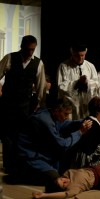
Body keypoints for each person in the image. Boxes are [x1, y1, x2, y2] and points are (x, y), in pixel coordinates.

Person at [16, 97, 92, 185]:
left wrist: (84, 121)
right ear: (57, 110)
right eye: (66, 114)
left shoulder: (51, 114)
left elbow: (65, 124)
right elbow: (62, 145)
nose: (67, 117)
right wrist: (80, 132)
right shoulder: (44, 121)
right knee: (57, 181)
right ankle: (22, 174)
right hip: (30, 157)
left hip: (40, 154)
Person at [0, 35, 47, 175]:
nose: (30, 53)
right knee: (7, 135)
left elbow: (41, 86)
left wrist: (41, 104)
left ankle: (18, 163)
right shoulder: (10, 58)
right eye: (28, 49)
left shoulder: (38, 63)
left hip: (25, 106)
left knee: (21, 135)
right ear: (22, 47)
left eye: (33, 50)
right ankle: (9, 165)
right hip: (8, 103)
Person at [57, 42, 99, 120]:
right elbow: (61, 86)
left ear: (86, 52)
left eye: (82, 55)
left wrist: (87, 83)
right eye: (77, 56)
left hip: (86, 105)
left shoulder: (90, 66)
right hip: (71, 107)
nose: (80, 58)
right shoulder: (64, 66)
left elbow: (96, 84)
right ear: (72, 53)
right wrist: (77, 83)